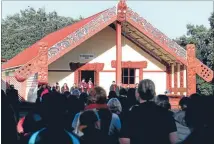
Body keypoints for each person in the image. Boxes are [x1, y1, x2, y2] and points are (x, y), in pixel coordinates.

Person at [120, 79, 177, 144]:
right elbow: (173, 140)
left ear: (137, 94)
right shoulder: (166, 113)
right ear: (154, 93)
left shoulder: (130, 114)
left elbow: (124, 140)